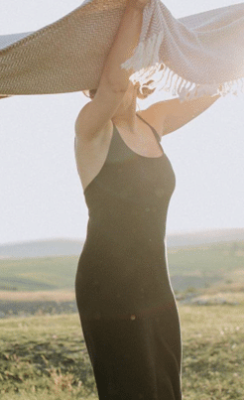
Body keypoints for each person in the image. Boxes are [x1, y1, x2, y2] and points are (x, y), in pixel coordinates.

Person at [73, 1, 220, 399]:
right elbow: (116, 85)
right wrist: (136, 9)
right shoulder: (92, 129)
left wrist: (228, 45)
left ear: (139, 72)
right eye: (94, 80)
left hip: (155, 281)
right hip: (108, 282)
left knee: (165, 386)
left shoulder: (153, 122)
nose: (98, 86)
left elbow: (212, 88)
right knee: (131, 388)